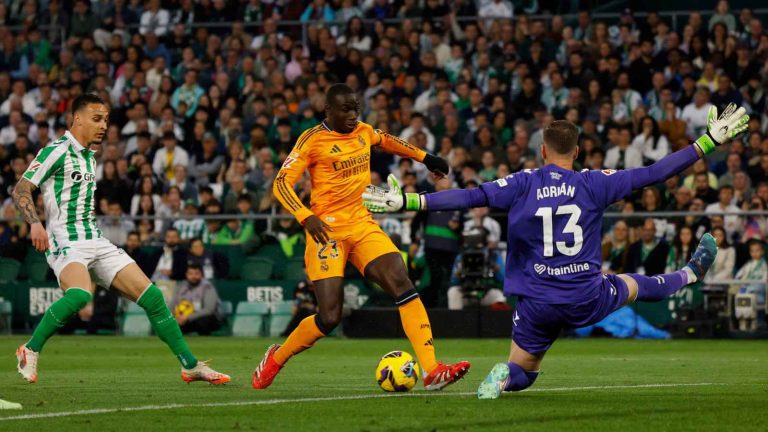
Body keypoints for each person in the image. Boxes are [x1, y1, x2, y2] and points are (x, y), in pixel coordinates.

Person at [364, 103, 749, 399]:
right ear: (577, 151)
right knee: (635, 284)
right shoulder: (595, 183)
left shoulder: (522, 182)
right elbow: (654, 173)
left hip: (536, 302)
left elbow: (470, 197)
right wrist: (707, 142)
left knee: (524, 371)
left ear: (543, 151)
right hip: (585, 296)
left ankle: (504, 377)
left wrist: (410, 201)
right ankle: (691, 273)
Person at [254, 83, 470, 391]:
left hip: (361, 223)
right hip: (326, 230)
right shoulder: (312, 140)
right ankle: (277, 357)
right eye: (345, 110)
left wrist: (425, 157)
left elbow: (388, 140)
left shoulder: (363, 131)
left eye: (356, 109)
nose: (353, 115)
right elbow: (280, 183)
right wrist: (306, 215)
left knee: (401, 281)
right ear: (328, 110)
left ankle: (432, 370)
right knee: (329, 317)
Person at [11, 94, 228, 384]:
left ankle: (190, 366)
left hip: (95, 238)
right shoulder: (56, 150)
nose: (104, 126)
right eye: (96, 119)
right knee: (79, 295)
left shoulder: (89, 156)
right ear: (77, 119)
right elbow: (21, 189)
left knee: (153, 297)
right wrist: (35, 224)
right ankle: (30, 349)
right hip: (65, 239)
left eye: (106, 120)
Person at [170, 264, 223, 335]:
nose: (193, 276)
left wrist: (188, 317)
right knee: (169, 322)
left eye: (196, 273)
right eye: (190, 274)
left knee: (203, 321)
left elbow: (209, 310)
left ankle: (204, 340)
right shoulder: (181, 287)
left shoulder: (208, 287)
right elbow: (172, 304)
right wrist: (175, 317)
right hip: (183, 318)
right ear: (186, 275)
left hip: (205, 318)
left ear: (202, 275)